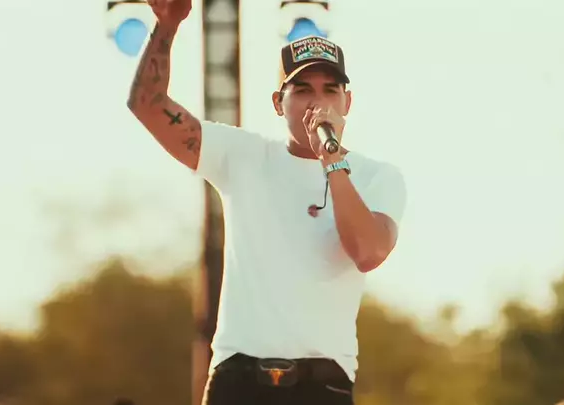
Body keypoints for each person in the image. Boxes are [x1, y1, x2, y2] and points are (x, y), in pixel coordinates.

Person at [128, 0, 407, 404]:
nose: (318, 103)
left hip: (321, 384)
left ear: (347, 102)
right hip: (238, 380)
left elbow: (368, 251)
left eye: (330, 90)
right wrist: (166, 26)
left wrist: (332, 160)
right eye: (303, 90)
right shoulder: (244, 155)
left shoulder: (378, 176)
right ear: (279, 103)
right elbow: (148, 106)